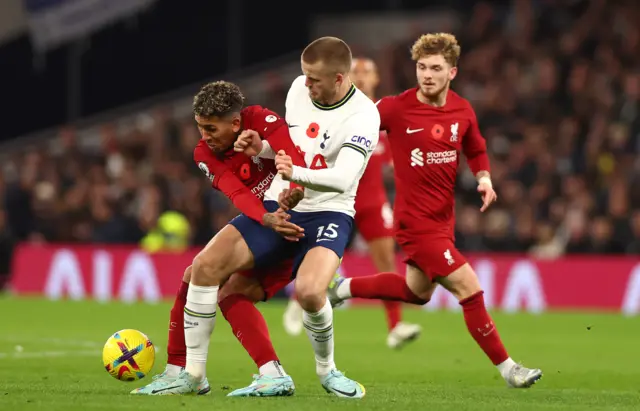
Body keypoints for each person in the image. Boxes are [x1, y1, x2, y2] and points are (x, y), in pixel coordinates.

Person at [157, 36, 379, 398]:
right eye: (304, 76)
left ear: (339, 78)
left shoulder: (365, 115)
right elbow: (290, 148)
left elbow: (342, 178)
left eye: (314, 80)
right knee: (206, 270)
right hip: (281, 204)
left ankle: (328, 371)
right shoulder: (297, 90)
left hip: (330, 211)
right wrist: (262, 151)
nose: (305, 85)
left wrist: (295, 178)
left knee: (309, 293)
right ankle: (198, 373)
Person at [326, 33, 543, 388]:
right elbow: (353, 123)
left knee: (417, 292)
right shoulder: (395, 108)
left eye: (435, 68)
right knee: (469, 289)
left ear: (452, 72)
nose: (427, 74)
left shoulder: (462, 109)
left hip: (443, 221)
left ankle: (342, 289)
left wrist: (484, 178)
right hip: (415, 223)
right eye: (421, 67)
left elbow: (475, 147)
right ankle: (509, 369)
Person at [132, 81, 306, 397]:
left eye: (211, 128)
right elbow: (236, 192)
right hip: (267, 219)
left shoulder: (260, 119)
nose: (205, 136)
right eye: (200, 127)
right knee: (227, 294)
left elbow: (291, 155)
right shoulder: (204, 153)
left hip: (298, 213)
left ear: (236, 123)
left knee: (203, 267)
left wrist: (291, 196)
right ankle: (272, 373)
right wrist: (266, 217)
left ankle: (189, 374)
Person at [282, 57, 422, 349]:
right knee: (316, 255)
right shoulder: (336, 112)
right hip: (334, 198)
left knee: (385, 262)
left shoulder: (384, 116)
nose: (359, 75)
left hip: (372, 200)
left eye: (366, 71)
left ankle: (395, 326)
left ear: (377, 78)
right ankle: (301, 297)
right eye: (354, 71)